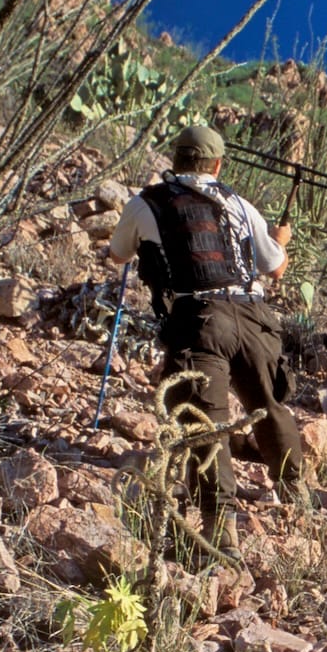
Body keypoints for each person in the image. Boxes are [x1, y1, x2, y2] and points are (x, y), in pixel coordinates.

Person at [108, 124, 306, 550]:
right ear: (217, 164)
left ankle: (221, 530)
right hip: (254, 317)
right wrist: (281, 242)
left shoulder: (147, 203)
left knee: (205, 423)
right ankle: (296, 494)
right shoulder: (238, 202)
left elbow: (118, 253)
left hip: (198, 320)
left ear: (175, 159)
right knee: (269, 405)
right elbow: (276, 268)